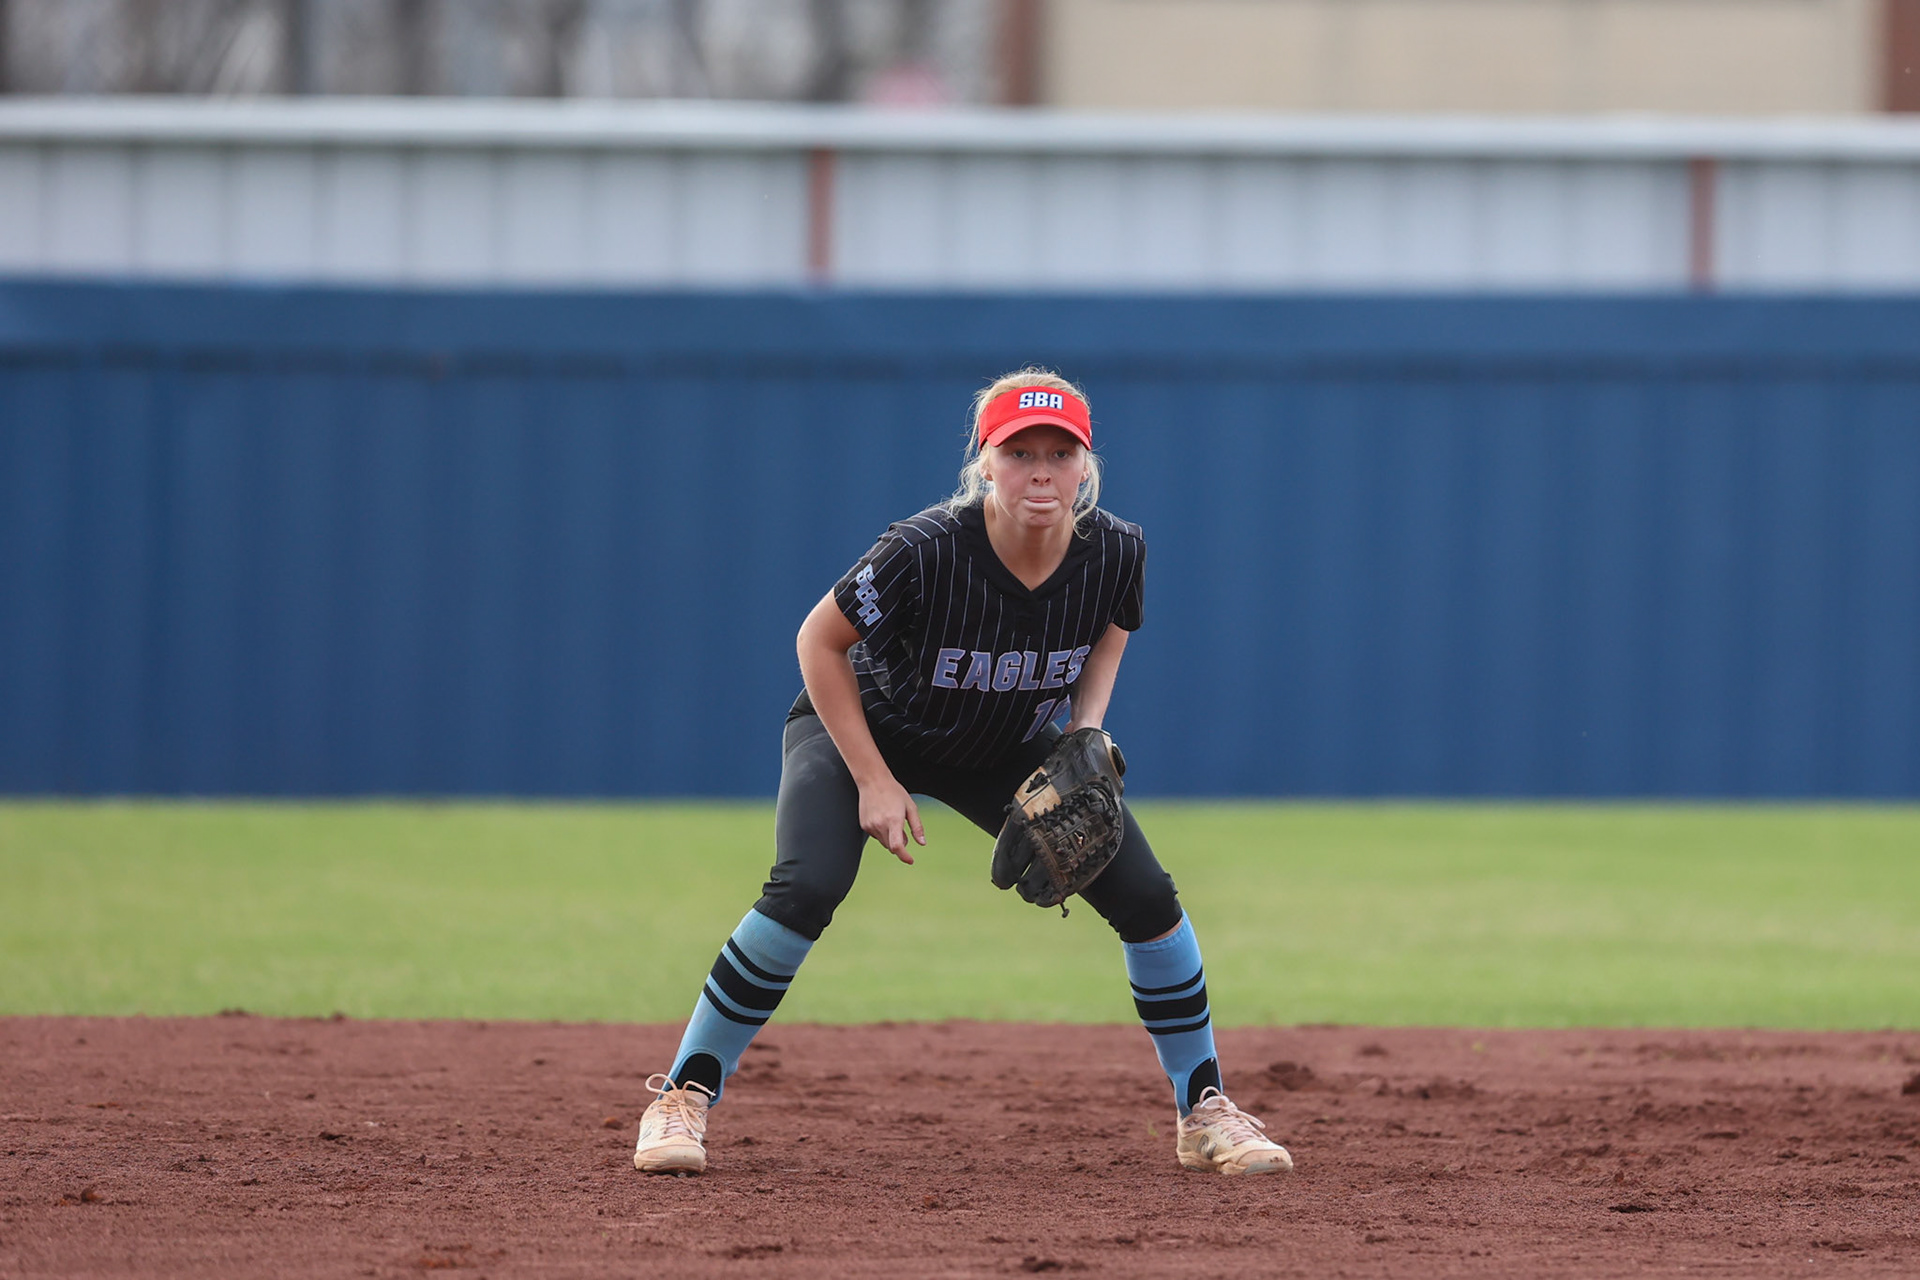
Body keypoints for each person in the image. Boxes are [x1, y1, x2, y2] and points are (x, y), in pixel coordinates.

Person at [633, 369, 1292, 1178]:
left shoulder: (1117, 550)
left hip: (1001, 741)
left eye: (1060, 452)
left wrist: (1081, 736)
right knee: (805, 889)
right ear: (986, 462)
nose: (1041, 472)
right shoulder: (924, 551)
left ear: (1086, 465)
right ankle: (684, 1095)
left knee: (1149, 900)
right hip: (865, 728)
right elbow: (818, 643)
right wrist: (873, 780)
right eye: (1020, 453)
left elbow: (1115, 625)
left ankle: (1205, 1110)